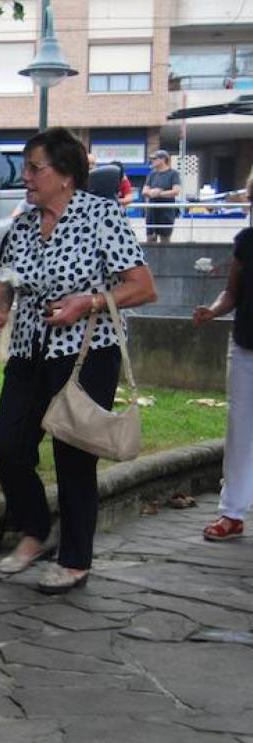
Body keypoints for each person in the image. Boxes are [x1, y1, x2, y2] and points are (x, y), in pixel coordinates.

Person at [0, 127, 157, 594]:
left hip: (86, 353)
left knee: (73, 454)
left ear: (64, 175)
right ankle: (36, 530)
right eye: (26, 168)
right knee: (7, 443)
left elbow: (143, 286)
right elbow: (7, 280)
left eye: (34, 168)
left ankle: (76, 559)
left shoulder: (100, 215)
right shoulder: (23, 224)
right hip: (29, 350)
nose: (26, 177)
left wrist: (88, 302)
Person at [194, 173, 253, 542]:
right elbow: (231, 292)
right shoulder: (247, 242)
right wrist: (212, 311)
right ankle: (232, 512)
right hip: (246, 346)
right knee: (240, 430)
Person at [143, 149, 181, 243]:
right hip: (152, 210)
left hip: (166, 211)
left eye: (155, 159)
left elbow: (176, 191)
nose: (153, 161)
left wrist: (159, 193)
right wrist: (151, 192)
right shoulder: (152, 174)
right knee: (150, 238)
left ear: (163, 159)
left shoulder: (173, 174)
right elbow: (144, 191)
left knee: (165, 238)